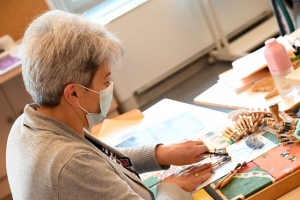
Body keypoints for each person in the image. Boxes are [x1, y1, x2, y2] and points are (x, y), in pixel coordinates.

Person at [6, 10, 213, 200]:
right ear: (74, 93)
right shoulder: (69, 163)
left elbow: (99, 161)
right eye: (105, 82)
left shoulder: (27, 124)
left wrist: (160, 154)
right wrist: (169, 187)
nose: (108, 88)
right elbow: (84, 166)